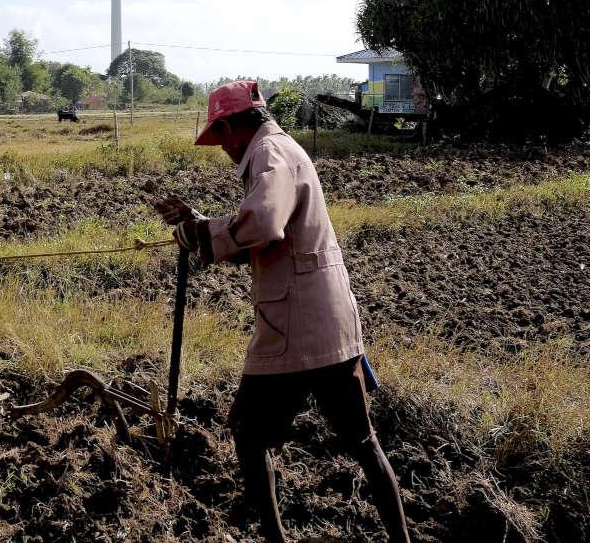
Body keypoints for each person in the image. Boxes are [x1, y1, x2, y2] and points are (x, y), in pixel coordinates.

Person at [151, 80, 409, 543]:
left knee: (248, 432)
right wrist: (203, 228)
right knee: (362, 441)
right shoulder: (282, 149)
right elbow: (269, 236)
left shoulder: (268, 154)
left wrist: (203, 235)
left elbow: (265, 224)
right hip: (330, 323)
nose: (224, 149)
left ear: (232, 127)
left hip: (294, 325)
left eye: (221, 138)